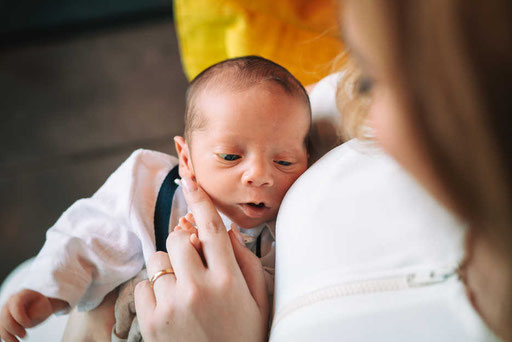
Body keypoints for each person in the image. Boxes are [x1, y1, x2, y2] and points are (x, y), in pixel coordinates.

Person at [130, 0, 512, 341]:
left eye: (373, 81)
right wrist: (112, 277)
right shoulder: (345, 114)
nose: (366, 118)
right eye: (365, 78)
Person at [0, 55, 311, 342]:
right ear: (186, 159)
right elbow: (91, 232)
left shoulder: (295, 224)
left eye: (284, 161)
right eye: (230, 156)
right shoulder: (152, 185)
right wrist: (48, 289)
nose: (259, 175)